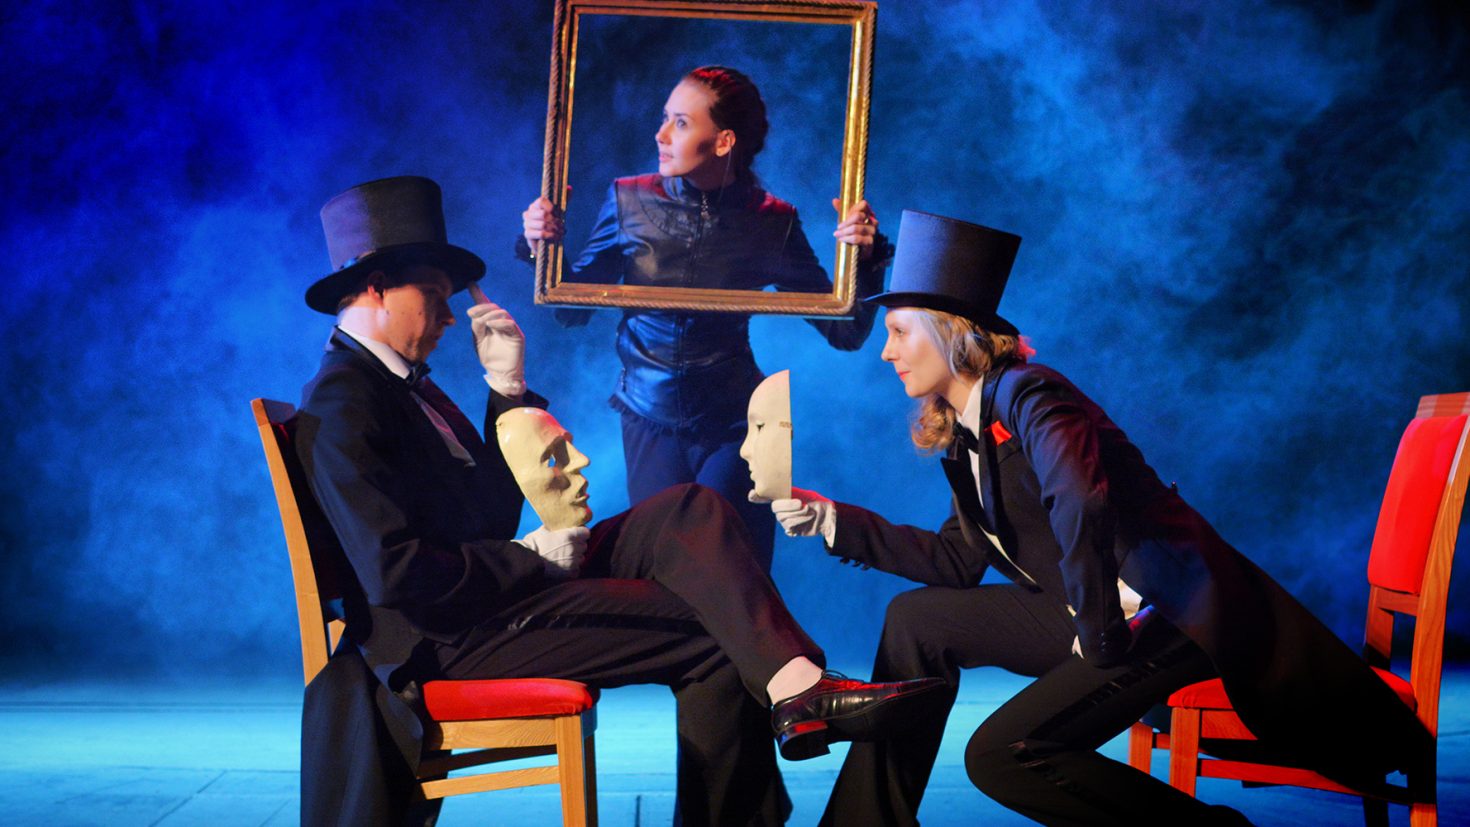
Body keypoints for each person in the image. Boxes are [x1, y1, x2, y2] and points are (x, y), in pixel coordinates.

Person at [293, 176, 941, 826]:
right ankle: (789, 707)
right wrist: (530, 559)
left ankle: (796, 684)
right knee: (722, 628)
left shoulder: (398, 385)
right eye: (432, 297)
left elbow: (487, 514)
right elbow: (395, 572)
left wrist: (507, 386)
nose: (445, 317)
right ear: (374, 289)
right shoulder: (347, 399)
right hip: (449, 636)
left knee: (688, 510)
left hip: (484, 601)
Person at [762, 210, 1433, 826]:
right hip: (1083, 610)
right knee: (916, 620)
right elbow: (958, 559)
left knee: (1001, 752)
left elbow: (1080, 497)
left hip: (1165, 616)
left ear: (951, 333)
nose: (886, 352)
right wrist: (830, 520)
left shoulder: (1031, 393)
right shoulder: (966, 428)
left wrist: (1100, 635)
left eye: (900, 332)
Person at [520, 65, 892, 569]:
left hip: (732, 421)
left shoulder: (770, 220)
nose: (661, 135)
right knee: (664, 568)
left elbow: (845, 332)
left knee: (733, 563)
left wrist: (866, 263)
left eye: (679, 122)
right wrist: (540, 246)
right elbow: (571, 313)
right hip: (648, 416)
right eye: (664, 119)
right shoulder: (629, 198)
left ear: (723, 142)